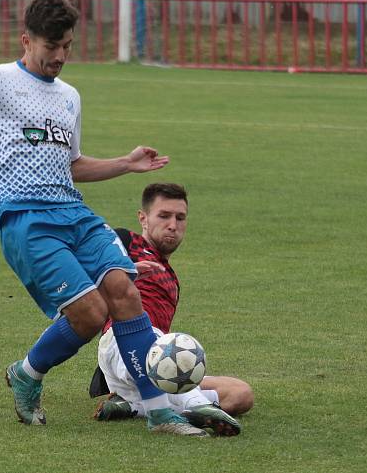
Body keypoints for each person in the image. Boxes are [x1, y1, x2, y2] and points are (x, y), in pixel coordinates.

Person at [0, 0, 207, 436]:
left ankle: (158, 411)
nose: (60, 56)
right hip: (26, 220)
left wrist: (125, 163)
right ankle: (27, 373)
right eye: (51, 47)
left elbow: (71, 165)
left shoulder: (70, 97)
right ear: (27, 40)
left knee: (125, 291)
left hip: (73, 213)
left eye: (67, 47)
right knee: (90, 315)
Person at [89, 183, 254, 436]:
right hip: (123, 342)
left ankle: (133, 407)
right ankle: (197, 406)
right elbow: (85, 280)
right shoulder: (124, 242)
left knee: (240, 395)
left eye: (180, 218)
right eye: (164, 216)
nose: (173, 225)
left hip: (150, 363)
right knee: (164, 345)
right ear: (143, 218)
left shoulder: (171, 278)